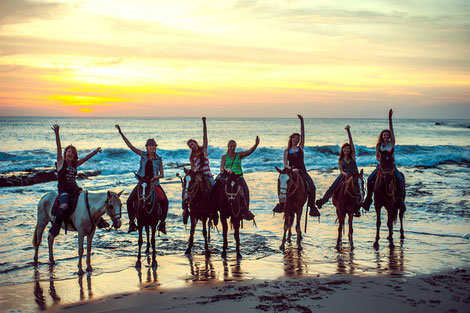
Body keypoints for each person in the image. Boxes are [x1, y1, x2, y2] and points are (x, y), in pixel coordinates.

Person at [49, 124, 102, 237]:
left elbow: (86, 158)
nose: (70, 153)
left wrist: (95, 151)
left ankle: (100, 221)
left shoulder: (75, 164)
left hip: (75, 190)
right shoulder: (60, 163)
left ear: (74, 155)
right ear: (65, 153)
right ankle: (56, 226)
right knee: (64, 206)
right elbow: (58, 148)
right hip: (64, 191)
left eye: (72, 153)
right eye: (68, 151)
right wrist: (57, 134)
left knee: (87, 200)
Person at [115, 125, 168, 234]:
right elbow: (131, 146)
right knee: (129, 200)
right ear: (147, 147)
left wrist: (155, 178)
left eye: (154, 146)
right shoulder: (143, 155)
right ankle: (131, 223)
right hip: (142, 183)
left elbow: (162, 174)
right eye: (150, 146)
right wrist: (121, 133)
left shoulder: (159, 159)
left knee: (165, 201)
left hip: (154, 184)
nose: (152, 148)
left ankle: (162, 224)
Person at [273, 115, 320, 217]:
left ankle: (312, 206)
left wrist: (302, 121)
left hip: (302, 171)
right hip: (290, 171)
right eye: (295, 138)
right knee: (282, 184)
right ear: (291, 139)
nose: (296, 140)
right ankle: (281, 204)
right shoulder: (286, 151)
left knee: (312, 186)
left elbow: (303, 134)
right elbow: (285, 163)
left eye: (298, 139)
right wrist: (290, 169)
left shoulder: (301, 148)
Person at [362, 109, 406, 211]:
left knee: (400, 179)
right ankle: (368, 199)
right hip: (381, 167)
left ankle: (400, 200)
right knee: (369, 179)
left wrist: (390, 119)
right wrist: (381, 160)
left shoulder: (392, 143)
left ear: (389, 136)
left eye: (387, 135)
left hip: (391, 167)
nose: (386, 136)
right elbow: (377, 156)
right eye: (384, 135)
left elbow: (392, 129)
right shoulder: (379, 145)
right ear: (382, 136)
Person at [315, 125, 362, 216]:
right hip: (344, 175)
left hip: (354, 175)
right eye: (345, 148)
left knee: (360, 187)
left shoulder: (352, 157)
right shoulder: (340, 159)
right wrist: (344, 173)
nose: (346, 150)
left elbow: (351, 143)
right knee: (333, 187)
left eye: (348, 148)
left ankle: (359, 206)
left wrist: (348, 132)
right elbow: (341, 170)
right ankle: (322, 201)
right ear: (342, 150)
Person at [219, 136, 260, 220]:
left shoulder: (239, 155)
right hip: (228, 177)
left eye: (234, 146)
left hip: (238, 177)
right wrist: (226, 170)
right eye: (231, 146)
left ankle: (246, 211)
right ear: (228, 147)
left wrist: (256, 145)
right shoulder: (224, 157)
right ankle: (213, 208)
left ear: (235, 147)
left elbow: (249, 152)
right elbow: (221, 168)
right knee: (216, 189)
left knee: (246, 190)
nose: (232, 148)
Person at [183, 117, 214, 223]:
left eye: (193, 144)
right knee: (186, 188)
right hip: (199, 176)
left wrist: (204, 122)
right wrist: (189, 173)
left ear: (196, 143)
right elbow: (193, 169)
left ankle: (214, 211)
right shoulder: (191, 157)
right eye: (190, 146)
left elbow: (205, 135)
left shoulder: (204, 149)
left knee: (215, 190)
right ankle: (186, 210)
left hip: (208, 175)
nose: (192, 146)